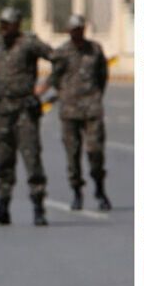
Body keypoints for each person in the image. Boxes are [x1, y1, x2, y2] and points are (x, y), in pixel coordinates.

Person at [0, 6, 54, 226]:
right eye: (1, 24)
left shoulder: (29, 43)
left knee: (31, 159)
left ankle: (38, 208)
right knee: (3, 160)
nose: (3, 29)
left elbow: (58, 59)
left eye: (8, 25)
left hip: (25, 110)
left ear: (17, 25)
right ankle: (2, 207)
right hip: (2, 111)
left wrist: (46, 85)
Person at [42, 13, 111, 211]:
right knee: (73, 155)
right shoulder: (62, 53)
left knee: (95, 152)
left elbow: (102, 77)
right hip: (69, 111)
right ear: (68, 31)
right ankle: (77, 192)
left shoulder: (95, 50)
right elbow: (54, 78)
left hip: (92, 109)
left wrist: (95, 97)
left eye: (80, 29)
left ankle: (100, 189)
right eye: (74, 30)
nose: (77, 33)